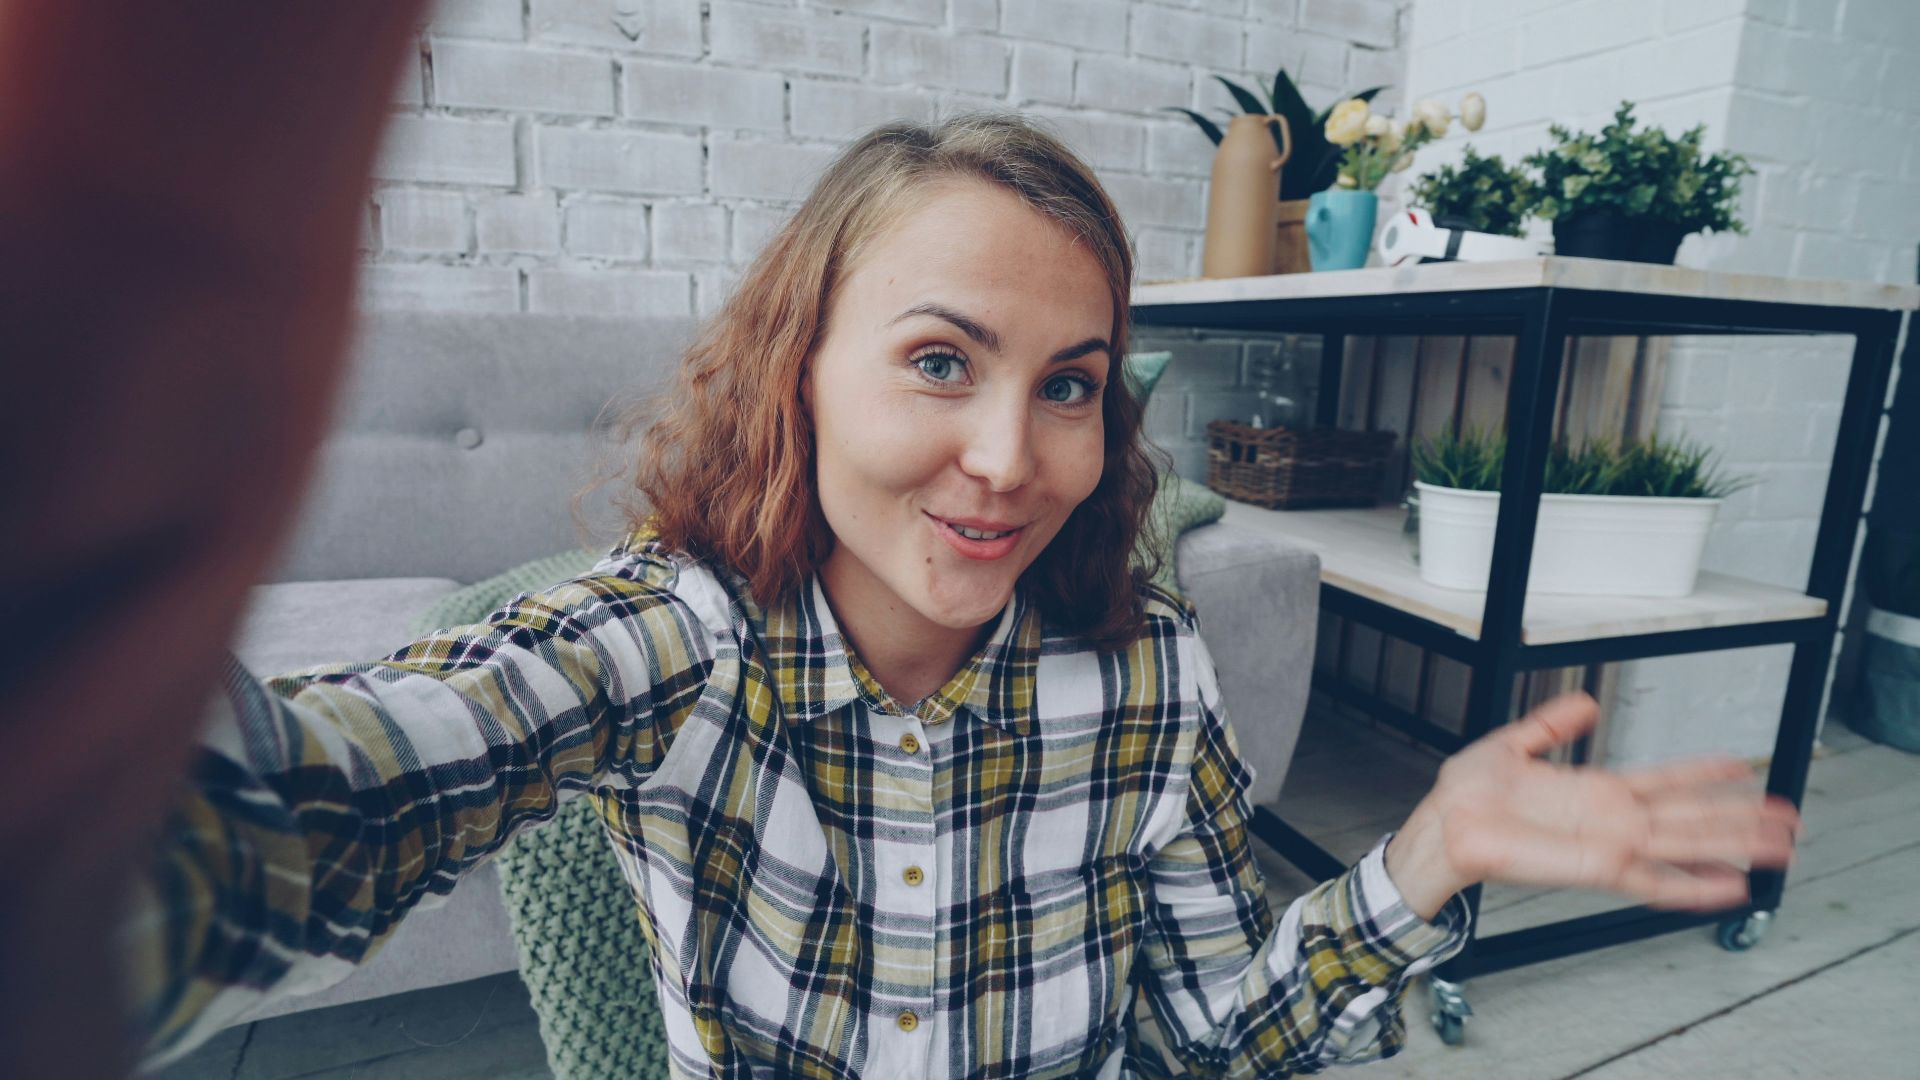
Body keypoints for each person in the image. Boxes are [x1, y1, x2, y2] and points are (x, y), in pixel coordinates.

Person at [0, 10, 1797, 1078]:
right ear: (800, 372)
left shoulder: (1147, 669)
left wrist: (1427, 854)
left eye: (1073, 385)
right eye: (940, 361)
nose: (1011, 460)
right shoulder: (669, 642)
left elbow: (1220, 1037)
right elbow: (289, 830)